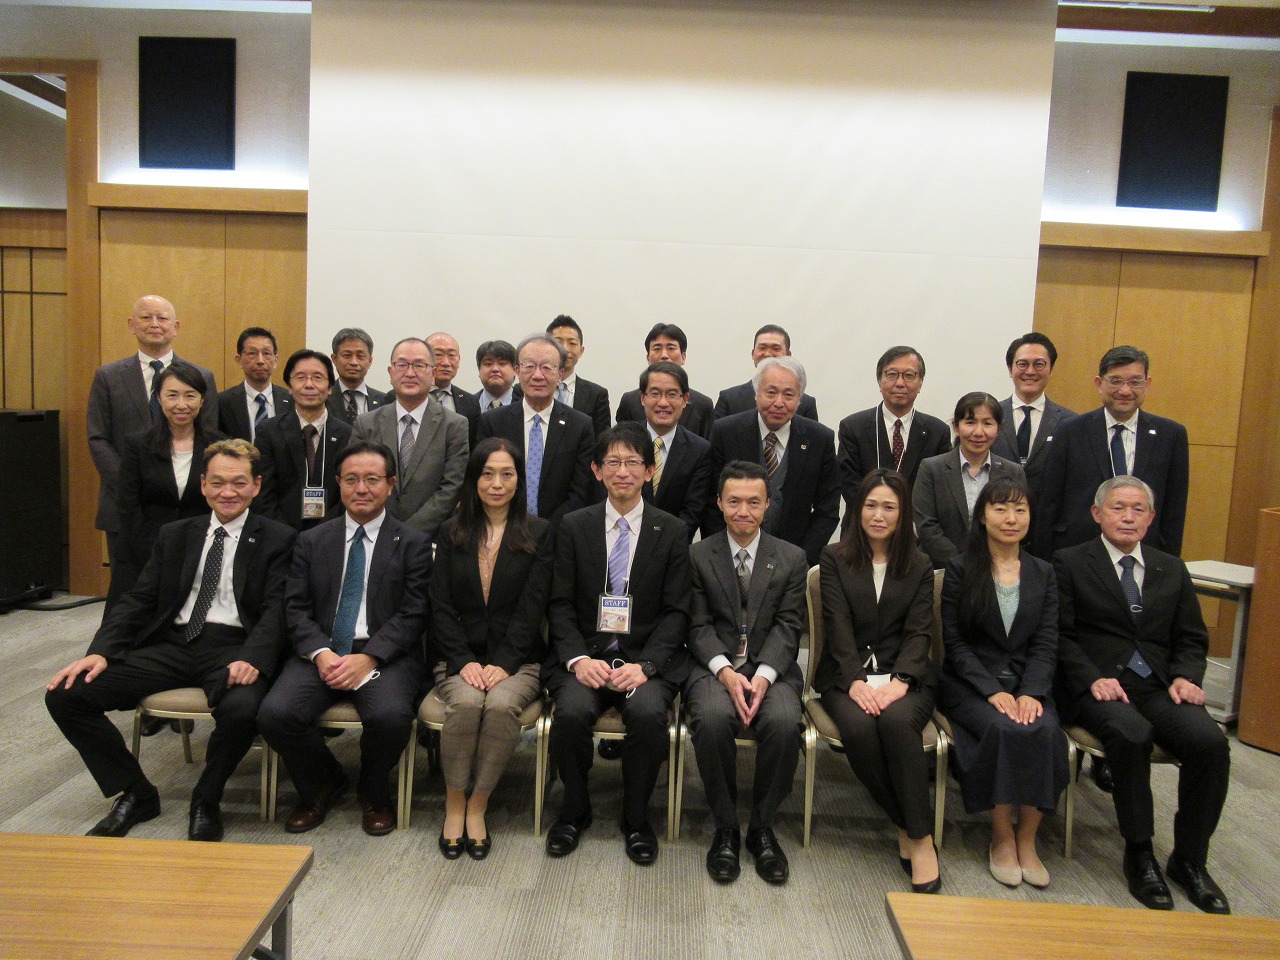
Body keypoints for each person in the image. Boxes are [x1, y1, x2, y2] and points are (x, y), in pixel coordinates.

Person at [45, 439, 296, 842]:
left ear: (256, 486)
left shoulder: (279, 538)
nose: (228, 492)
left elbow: (277, 609)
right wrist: (101, 652)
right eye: (218, 482)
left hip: (235, 647)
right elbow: (139, 599)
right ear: (203, 484)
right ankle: (136, 792)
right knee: (66, 694)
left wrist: (253, 657)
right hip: (175, 643)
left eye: (238, 482)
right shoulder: (176, 534)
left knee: (243, 709)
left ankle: (207, 798)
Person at [1053, 476, 1231, 914]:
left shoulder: (1171, 568)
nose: (1128, 517)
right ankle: (1140, 852)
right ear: (1097, 514)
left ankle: (1189, 859)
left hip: (1158, 685)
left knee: (1210, 743)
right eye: (1118, 508)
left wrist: (1186, 676)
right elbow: (1059, 635)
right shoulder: (1070, 562)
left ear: (1151, 518)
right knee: (1131, 735)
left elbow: (1191, 636)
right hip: (1100, 686)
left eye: (1138, 509)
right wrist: (1090, 677)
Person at [258, 441, 433, 836]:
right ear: (337, 483)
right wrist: (321, 653)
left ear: (390, 484)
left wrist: (370, 657)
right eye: (351, 479)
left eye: (372, 479)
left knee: (390, 717)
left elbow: (414, 612)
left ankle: (373, 789)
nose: (361, 488)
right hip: (322, 651)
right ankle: (323, 781)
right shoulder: (311, 540)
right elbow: (295, 608)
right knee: (275, 714)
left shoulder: (414, 542)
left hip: (384, 655)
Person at [544, 423, 690, 863]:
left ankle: (636, 817)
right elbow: (559, 603)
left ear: (649, 471)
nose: (622, 472)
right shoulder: (574, 526)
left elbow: (677, 612)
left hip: (643, 662)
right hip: (586, 658)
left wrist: (646, 666)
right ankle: (574, 810)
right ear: (596, 470)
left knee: (648, 715)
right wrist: (576, 659)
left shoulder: (672, 530)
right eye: (613, 463)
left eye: (632, 463)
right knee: (570, 713)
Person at [940, 476, 1068, 890]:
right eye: (1000, 509)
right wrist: (992, 690)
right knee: (1002, 728)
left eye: (1020, 509)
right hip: (971, 685)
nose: (1011, 518)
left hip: (1029, 684)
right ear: (982, 516)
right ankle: (1001, 836)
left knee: (1044, 729)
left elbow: (1046, 641)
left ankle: (1027, 838)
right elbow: (955, 643)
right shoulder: (961, 569)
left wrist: (1031, 691)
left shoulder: (1043, 572)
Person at [815, 468, 940, 893]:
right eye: (870, 505)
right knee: (858, 729)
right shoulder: (834, 557)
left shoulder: (920, 564)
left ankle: (919, 841)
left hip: (906, 677)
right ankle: (912, 827)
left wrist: (900, 681)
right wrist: (855, 681)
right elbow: (837, 625)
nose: (879, 515)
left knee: (897, 724)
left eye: (889, 507)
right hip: (845, 676)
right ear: (857, 510)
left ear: (903, 514)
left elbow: (920, 631)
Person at [430, 437, 553, 861]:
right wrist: (464, 660)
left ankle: (478, 804)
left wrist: (503, 663)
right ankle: (454, 802)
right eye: (487, 474)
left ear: (519, 480)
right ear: (474, 479)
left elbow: (533, 607)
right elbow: (441, 605)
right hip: (458, 656)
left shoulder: (539, 533)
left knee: (500, 706)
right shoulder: (451, 532)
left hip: (519, 659)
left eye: (506, 474)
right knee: (466, 704)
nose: (496, 484)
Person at [686, 461, 807, 885]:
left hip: (772, 668)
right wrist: (724, 671)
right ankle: (725, 826)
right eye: (734, 501)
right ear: (719, 503)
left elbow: (789, 625)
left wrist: (764, 674)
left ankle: (761, 826)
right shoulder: (697, 555)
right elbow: (696, 625)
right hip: (713, 665)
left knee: (784, 721)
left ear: (768, 504)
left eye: (753, 502)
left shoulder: (791, 557)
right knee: (711, 718)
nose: (743, 511)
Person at [88, 294, 218, 610]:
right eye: (146, 317)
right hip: (125, 505)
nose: (154, 324)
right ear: (132, 325)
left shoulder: (201, 377)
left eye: (162, 318)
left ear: (176, 326)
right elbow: (98, 438)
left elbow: (210, 441)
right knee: (130, 591)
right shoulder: (108, 376)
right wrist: (132, 485)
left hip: (188, 506)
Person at [1038, 345, 1188, 558]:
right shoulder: (1070, 431)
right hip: (1077, 553)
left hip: (1145, 552)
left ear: (1147, 384)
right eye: (1115, 381)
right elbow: (1049, 503)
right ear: (1099, 384)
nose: (1125, 391)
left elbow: (1175, 510)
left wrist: (1168, 563)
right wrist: (1045, 562)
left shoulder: (1171, 435)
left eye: (1135, 382)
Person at [704, 357, 838, 566]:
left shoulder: (820, 439)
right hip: (730, 557)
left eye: (788, 395)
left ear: (800, 399)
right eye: (771, 392)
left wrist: (802, 560)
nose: (779, 403)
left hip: (794, 559)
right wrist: (724, 556)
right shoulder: (726, 432)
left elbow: (827, 510)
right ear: (756, 393)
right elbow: (710, 501)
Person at [114, 361, 227, 600]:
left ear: (202, 400)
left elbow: (223, 503)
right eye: (172, 395)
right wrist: (155, 553)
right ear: (158, 398)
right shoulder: (138, 445)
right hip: (145, 553)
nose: (181, 405)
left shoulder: (219, 445)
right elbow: (128, 507)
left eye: (190, 395)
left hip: (201, 550)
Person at [351, 337, 470, 543]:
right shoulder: (366, 423)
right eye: (402, 365)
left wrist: (405, 533)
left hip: (430, 540)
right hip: (373, 535)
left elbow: (451, 488)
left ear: (433, 374)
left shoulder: (454, 425)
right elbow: (355, 479)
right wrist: (382, 527)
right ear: (391, 372)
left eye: (419, 365)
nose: (410, 373)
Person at [477, 335, 595, 524]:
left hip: (558, 531)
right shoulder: (493, 422)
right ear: (517, 371)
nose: (538, 375)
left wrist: (545, 530)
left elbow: (580, 491)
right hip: (503, 527)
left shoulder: (580, 425)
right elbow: (484, 480)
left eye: (547, 367)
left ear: (560, 375)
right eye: (530, 366)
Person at [837, 346, 950, 531]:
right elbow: (849, 485)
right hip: (862, 530)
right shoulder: (853, 427)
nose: (900, 383)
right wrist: (881, 515)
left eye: (909, 375)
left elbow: (938, 490)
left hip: (915, 533)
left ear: (920, 383)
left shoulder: (937, 432)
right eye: (891, 375)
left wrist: (903, 521)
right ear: (879, 381)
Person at [913, 392, 1026, 569]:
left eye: (987, 423)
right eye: (970, 422)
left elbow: (1017, 521)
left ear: (998, 429)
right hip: (941, 569)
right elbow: (926, 525)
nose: (979, 432)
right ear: (956, 427)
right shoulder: (931, 468)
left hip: (996, 568)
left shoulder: (1013, 472)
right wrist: (961, 564)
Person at [256, 350, 351, 531]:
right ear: (289, 387)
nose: (309, 385)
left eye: (317, 378)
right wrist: (285, 535)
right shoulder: (269, 431)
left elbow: (347, 493)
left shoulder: (346, 434)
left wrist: (323, 534)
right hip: (280, 534)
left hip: (332, 533)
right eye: (300, 378)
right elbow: (263, 493)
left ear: (330, 387)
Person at [636, 361, 714, 542]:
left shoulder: (699, 450)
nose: (663, 403)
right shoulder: (624, 443)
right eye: (655, 393)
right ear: (642, 397)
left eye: (672, 394)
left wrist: (665, 546)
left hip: (674, 548)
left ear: (685, 399)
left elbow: (692, 512)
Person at [991, 332, 1075, 500]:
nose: (1030, 371)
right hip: (997, 509)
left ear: (1051, 369)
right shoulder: (990, 416)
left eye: (1039, 364)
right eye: (1022, 364)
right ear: (1010, 369)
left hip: (1048, 514)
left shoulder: (1070, 422)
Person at [614, 323, 715, 440]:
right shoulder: (630, 401)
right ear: (648, 358)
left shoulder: (703, 404)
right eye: (657, 349)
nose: (664, 355)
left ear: (683, 357)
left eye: (671, 348)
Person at [713, 324, 819, 421]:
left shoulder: (806, 404)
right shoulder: (729, 398)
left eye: (775, 348)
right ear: (753, 353)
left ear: (788, 355)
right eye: (762, 348)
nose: (768, 354)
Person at [216, 327, 290, 442]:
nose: (260, 360)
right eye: (252, 353)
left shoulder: (291, 400)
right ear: (239, 360)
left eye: (266, 353)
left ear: (276, 360)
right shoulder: (222, 402)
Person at [547, 314, 611, 436]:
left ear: (581, 351)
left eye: (572, 343)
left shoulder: (597, 395)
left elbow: (602, 440)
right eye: (558, 342)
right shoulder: (527, 389)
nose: (565, 349)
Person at [426, 331, 481, 446]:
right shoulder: (403, 397)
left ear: (459, 360)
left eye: (452, 355)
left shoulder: (470, 402)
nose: (446, 363)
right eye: (438, 354)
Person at [327, 328, 388, 424]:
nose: (354, 362)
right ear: (334, 359)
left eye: (360, 356)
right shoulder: (323, 398)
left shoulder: (385, 402)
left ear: (370, 361)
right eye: (347, 355)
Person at [474, 339, 518, 411]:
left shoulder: (527, 404)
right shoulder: (467, 405)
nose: (495, 369)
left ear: (515, 370)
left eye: (502, 363)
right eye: (488, 364)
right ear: (479, 370)